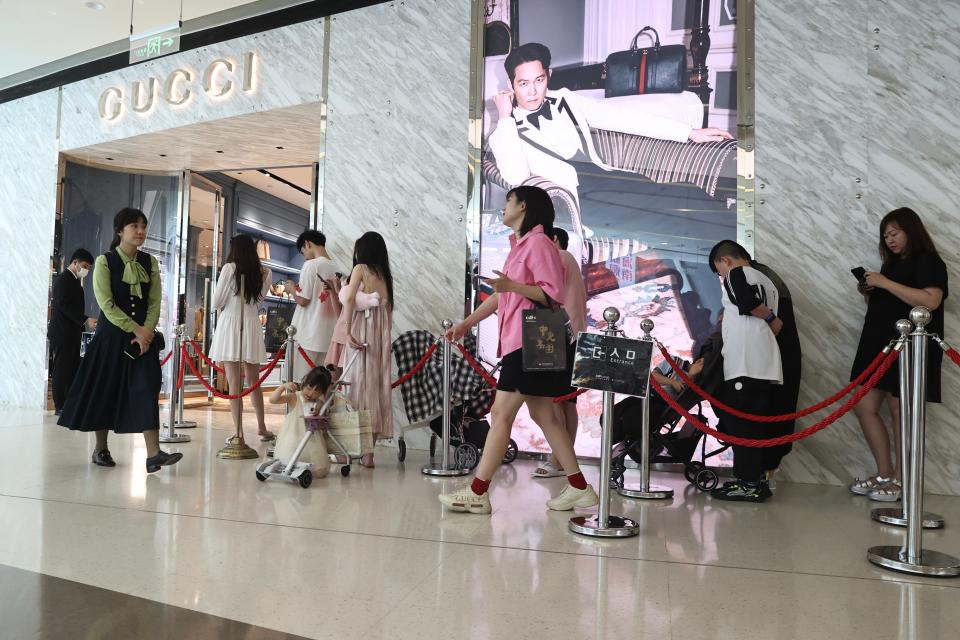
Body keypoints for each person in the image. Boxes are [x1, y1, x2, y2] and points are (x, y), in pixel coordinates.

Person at [487, 42, 732, 259]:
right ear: (511, 85)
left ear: (548, 75)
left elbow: (620, 117)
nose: (532, 92)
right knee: (673, 223)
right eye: (523, 83)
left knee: (687, 192)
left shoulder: (564, 99)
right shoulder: (504, 131)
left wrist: (689, 132)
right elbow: (516, 178)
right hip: (580, 202)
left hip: (608, 178)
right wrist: (506, 117)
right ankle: (725, 273)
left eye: (539, 80)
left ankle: (737, 245)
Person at [439, 185, 599, 514]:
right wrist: (467, 323)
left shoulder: (538, 243)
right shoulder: (522, 246)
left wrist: (512, 286)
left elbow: (551, 293)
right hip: (525, 341)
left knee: (501, 413)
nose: (503, 208)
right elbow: (503, 296)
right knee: (544, 415)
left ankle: (478, 491)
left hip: (529, 341)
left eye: (508, 202)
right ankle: (580, 487)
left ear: (523, 206)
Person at [58, 208, 182, 473]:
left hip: (143, 340)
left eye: (143, 226)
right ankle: (100, 448)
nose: (140, 231)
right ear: (119, 231)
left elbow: (154, 301)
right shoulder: (105, 262)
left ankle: (153, 454)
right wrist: (136, 329)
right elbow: (106, 303)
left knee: (147, 389)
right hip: (111, 337)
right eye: (134, 226)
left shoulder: (150, 263)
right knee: (105, 390)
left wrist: (146, 331)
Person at [848, 207, 948, 501]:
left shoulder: (928, 261)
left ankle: (903, 481)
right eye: (885, 235)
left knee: (899, 411)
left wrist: (884, 283)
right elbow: (890, 304)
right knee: (863, 405)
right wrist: (870, 290)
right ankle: (884, 473)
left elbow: (931, 300)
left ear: (911, 231)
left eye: (894, 233)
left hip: (910, 345)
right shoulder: (890, 266)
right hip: (879, 343)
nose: (889, 240)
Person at [707, 240, 784, 502]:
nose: (722, 277)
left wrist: (771, 319)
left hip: (745, 362)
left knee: (743, 427)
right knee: (753, 425)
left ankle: (748, 483)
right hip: (763, 362)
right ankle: (755, 480)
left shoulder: (736, 273)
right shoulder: (767, 281)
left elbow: (747, 302)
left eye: (719, 271)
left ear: (725, 261)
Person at [327, 232, 394, 468]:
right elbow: (387, 312)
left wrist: (346, 331)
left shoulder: (360, 269)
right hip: (379, 340)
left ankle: (345, 452)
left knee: (351, 392)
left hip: (360, 332)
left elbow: (349, 302)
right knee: (374, 392)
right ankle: (368, 454)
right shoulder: (385, 275)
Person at [533, 227, 588, 479]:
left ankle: (559, 459)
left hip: (559, 334)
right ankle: (564, 458)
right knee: (567, 401)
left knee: (554, 401)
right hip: (571, 335)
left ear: (554, 240)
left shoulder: (560, 258)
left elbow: (544, 295)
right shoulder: (570, 261)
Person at [208, 234, 274, 442]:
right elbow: (260, 300)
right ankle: (262, 427)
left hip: (230, 324)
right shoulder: (265, 272)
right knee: (254, 381)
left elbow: (217, 302)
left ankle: (239, 433)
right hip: (252, 323)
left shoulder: (230, 268)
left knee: (234, 382)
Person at [284, 230, 340, 380]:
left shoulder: (311, 265)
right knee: (321, 386)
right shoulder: (336, 267)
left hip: (307, 334)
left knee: (300, 383)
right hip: (328, 335)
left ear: (307, 244)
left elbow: (303, 300)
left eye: (303, 252)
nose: (305, 256)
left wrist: (291, 290)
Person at [269, 364, 338, 478]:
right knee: (289, 459)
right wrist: (282, 387)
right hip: (292, 437)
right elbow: (273, 400)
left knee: (317, 467)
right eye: (309, 388)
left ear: (322, 393)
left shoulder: (318, 402)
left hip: (310, 439)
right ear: (304, 382)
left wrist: (318, 408)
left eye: (317, 391)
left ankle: (304, 471)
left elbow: (322, 409)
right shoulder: (294, 397)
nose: (311, 394)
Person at [48, 248, 95, 414]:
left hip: (73, 334)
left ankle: (70, 404)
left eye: (89, 267)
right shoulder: (63, 280)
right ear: (74, 262)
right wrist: (85, 319)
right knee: (61, 370)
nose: (86, 270)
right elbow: (63, 305)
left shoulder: (75, 281)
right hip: (62, 333)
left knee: (73, 369)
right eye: (84, 265)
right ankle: (60, 406)